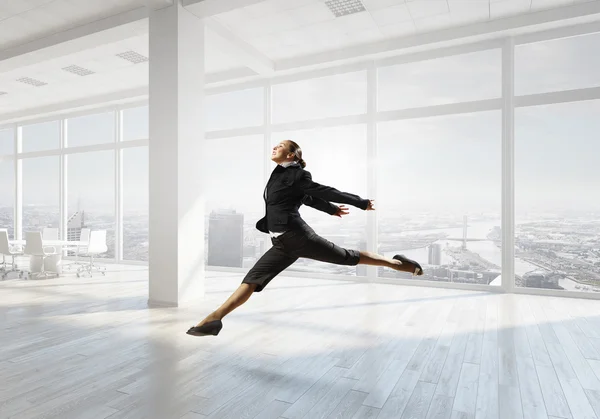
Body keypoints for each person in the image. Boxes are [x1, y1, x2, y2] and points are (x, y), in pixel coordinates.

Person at [187, 140, 423, 337]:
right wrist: (331, 210)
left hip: (298, 237)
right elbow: (307, 198)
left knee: (346, 258)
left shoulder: (298, 174)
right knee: (252, 280)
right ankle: (213, 320)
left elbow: (323, 190)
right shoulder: (279, 174)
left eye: (279, 146)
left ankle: (399, 264)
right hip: (281, 243)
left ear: (290, 154)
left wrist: (359, 202)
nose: (274, 147)